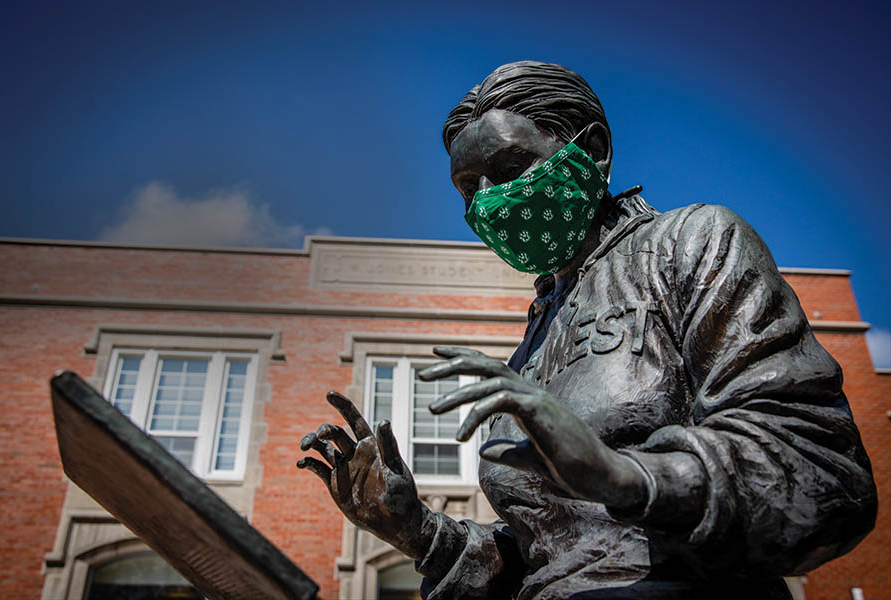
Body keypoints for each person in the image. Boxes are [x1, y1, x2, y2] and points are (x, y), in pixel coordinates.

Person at [298, 61, 877, 599]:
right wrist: (418, 531)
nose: (489, 200)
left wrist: (622, 475)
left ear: (593, 151)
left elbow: (824, 476)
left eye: (507, 170)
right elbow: (550, 553)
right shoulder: (534, 338)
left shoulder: (689, 244)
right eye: (468, 188)